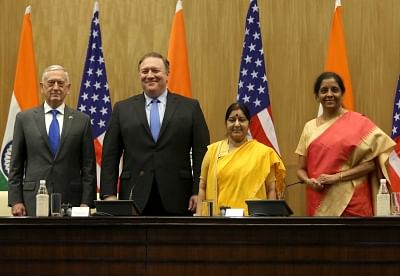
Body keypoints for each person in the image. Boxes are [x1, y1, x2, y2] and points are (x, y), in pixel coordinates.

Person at [100, 52, 210, 216]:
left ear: (167, 74)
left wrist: (198, 191)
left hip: (179, 196)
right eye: (145, 71)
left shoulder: (190, 108)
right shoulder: (122, 109)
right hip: (134, 195)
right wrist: (108, 194)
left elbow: (202, 153)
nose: (150, 75)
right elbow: (110, 155)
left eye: (155, 71)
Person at [296, 71, 396, 216]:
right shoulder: (309, 127)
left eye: (334, 90)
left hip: (354, 201)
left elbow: (371, 164)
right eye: (324, 91)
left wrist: (336, 177)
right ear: (317, 96)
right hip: (320, 202)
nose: (329, 94)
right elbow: (300, 169)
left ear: (342, 93)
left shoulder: (359, 123)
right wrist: (309, 181)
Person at [8, 65, 97, 216]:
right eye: (51, 83)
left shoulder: (82, 121)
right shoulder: (24, 119)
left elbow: (89, 168)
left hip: (72, 200)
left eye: (60, 84)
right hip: (32, 200)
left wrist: (86, 202)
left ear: (68, 88)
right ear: (42, 87)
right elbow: (15, 165)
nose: (56, 87)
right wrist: (16, 200)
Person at [196, 102, 286, 216]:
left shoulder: (264, 153)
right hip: (221, 222)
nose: (237, 124)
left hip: (254, 221)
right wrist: (199, 219)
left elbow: (271, 190)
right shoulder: (212, 152)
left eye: (242, 120)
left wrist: (270, 221)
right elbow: (202, 188)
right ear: (226, 123)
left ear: (249, 123)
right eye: (232, 120)